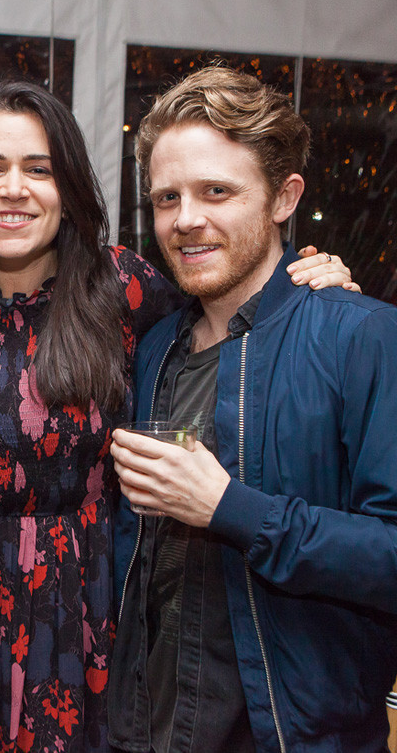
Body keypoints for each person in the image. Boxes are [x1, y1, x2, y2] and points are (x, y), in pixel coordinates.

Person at [0, 80, 355, 753]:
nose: (14, 188)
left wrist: (313, 279)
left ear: (70, 187)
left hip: (91, 607)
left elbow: (230, 301)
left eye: (39, 168)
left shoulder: (124, 288)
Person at [108, 65, 397, 753]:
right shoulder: (156, 349)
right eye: (167, 197)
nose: (187, 219)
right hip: (149, 730)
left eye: (217, 191)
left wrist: (230, 506)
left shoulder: (362, 336)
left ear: (283, 197)